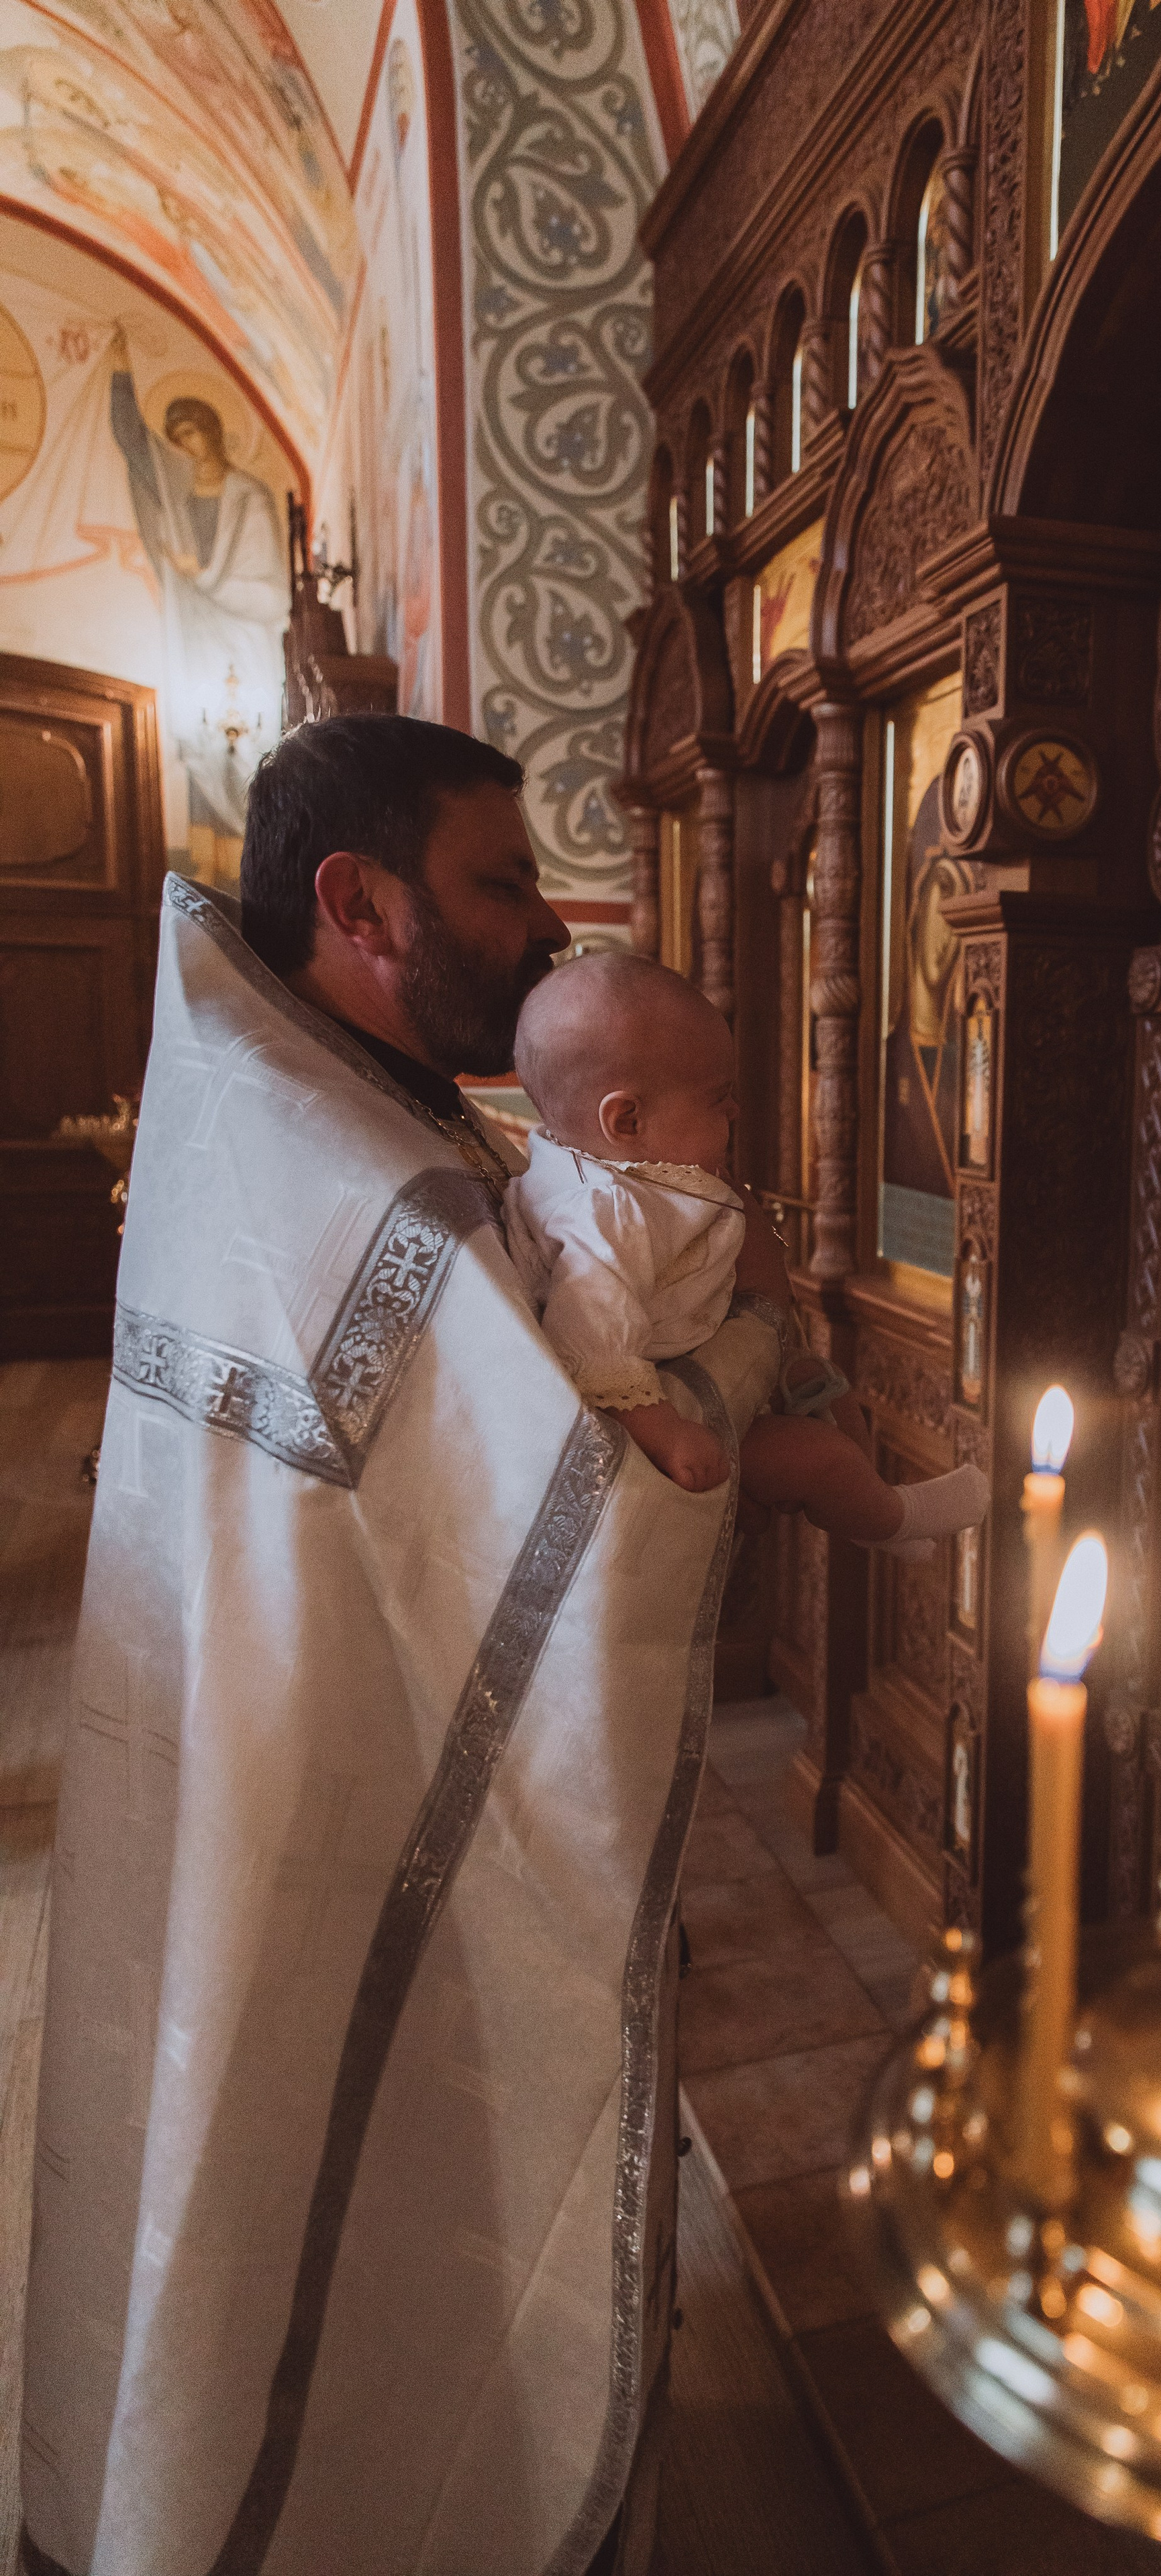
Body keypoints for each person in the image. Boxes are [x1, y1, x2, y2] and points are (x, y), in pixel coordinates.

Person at [21, 715, 791, 2576]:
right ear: (358, 902)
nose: (542, 926)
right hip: (306, 1771)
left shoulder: (300, 1093)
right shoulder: (360, 1172)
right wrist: (762, 1354)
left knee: (261, 2159)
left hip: (283, 1745)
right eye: (501, 881)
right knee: (318, 2186)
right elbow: (590, 1495)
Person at [504, 955, 989, 1556]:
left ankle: (869, 1505)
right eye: (719, 1098)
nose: (735, 1112)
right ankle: (888, 1516)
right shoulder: (606, 1214)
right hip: (644, 1423)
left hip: (684, 1363)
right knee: (821, 1458)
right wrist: (668, 1434)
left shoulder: (609, 1174)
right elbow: (590, 1342)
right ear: (626, 1118)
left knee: (830, 1396)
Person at [108, 327, 291, 841]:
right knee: (202, 738)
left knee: (254, 744)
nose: (185, 445)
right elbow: (133, 444)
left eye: (192, 432)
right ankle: (212, 854)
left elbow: (271, 593)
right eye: (176, 437)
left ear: (212, 432)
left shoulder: (249, 496)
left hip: (244, 637)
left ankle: (257, 845)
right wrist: (121, 375)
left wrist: (204, 576)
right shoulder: (179, 498)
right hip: (196, 634)